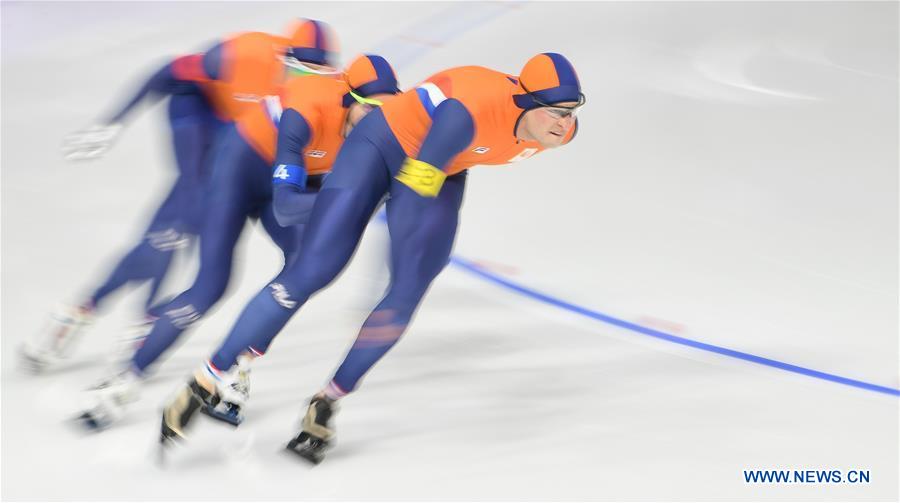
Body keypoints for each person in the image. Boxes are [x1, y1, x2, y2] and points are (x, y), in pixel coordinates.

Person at [159, 52, 583, 463]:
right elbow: (417, 184)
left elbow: (431, 184)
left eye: (571, 113)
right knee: (314, 270)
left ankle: (327, 401)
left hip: (443, 168)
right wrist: (367, 206)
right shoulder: (466, 112)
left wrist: (409, 267)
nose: (564, 123)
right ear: (526, 102)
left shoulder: (561, 132)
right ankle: (207, 379)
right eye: (555, 112)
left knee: (407, 294)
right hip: (382, 146)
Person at [79, 54, 401, 430]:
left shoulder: (382, 123)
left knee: (302, 271)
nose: (380, 122)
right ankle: (125, 379)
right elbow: (285, 208)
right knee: (211, 286)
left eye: (388, 111)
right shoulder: (306, 109)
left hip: (293, 179)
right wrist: (353, 196)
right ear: (349, 101)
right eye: (373, 110)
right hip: (238, 175)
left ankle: (239, 369)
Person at [21, 19, 340, 373]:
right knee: (185, 212)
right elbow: (166, 73)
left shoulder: (323, 97)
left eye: (316, 75)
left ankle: (138, 315)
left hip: (245, 137)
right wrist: (113, 123)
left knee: (203, 226)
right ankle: (85, 311)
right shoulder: (241, 55)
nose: (303, 83)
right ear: (283, 58)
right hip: (200, 113)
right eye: (296, 70)